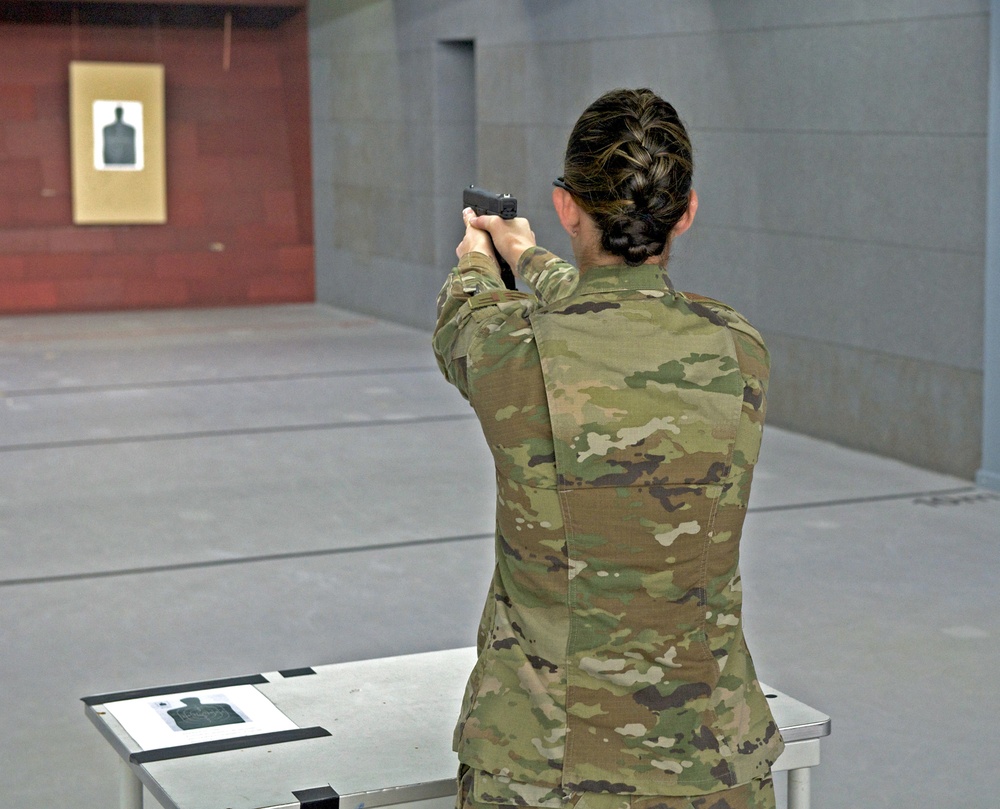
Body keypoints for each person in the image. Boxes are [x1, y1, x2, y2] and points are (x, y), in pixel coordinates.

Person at [433, 88, 784, 809]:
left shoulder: (509, 352)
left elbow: (462, 316)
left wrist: (482, 254)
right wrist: (531, 257)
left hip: (543, 769)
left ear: (568, 207)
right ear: (685, 212)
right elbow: (621, 308)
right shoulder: (738, 348)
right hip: (711, 764)